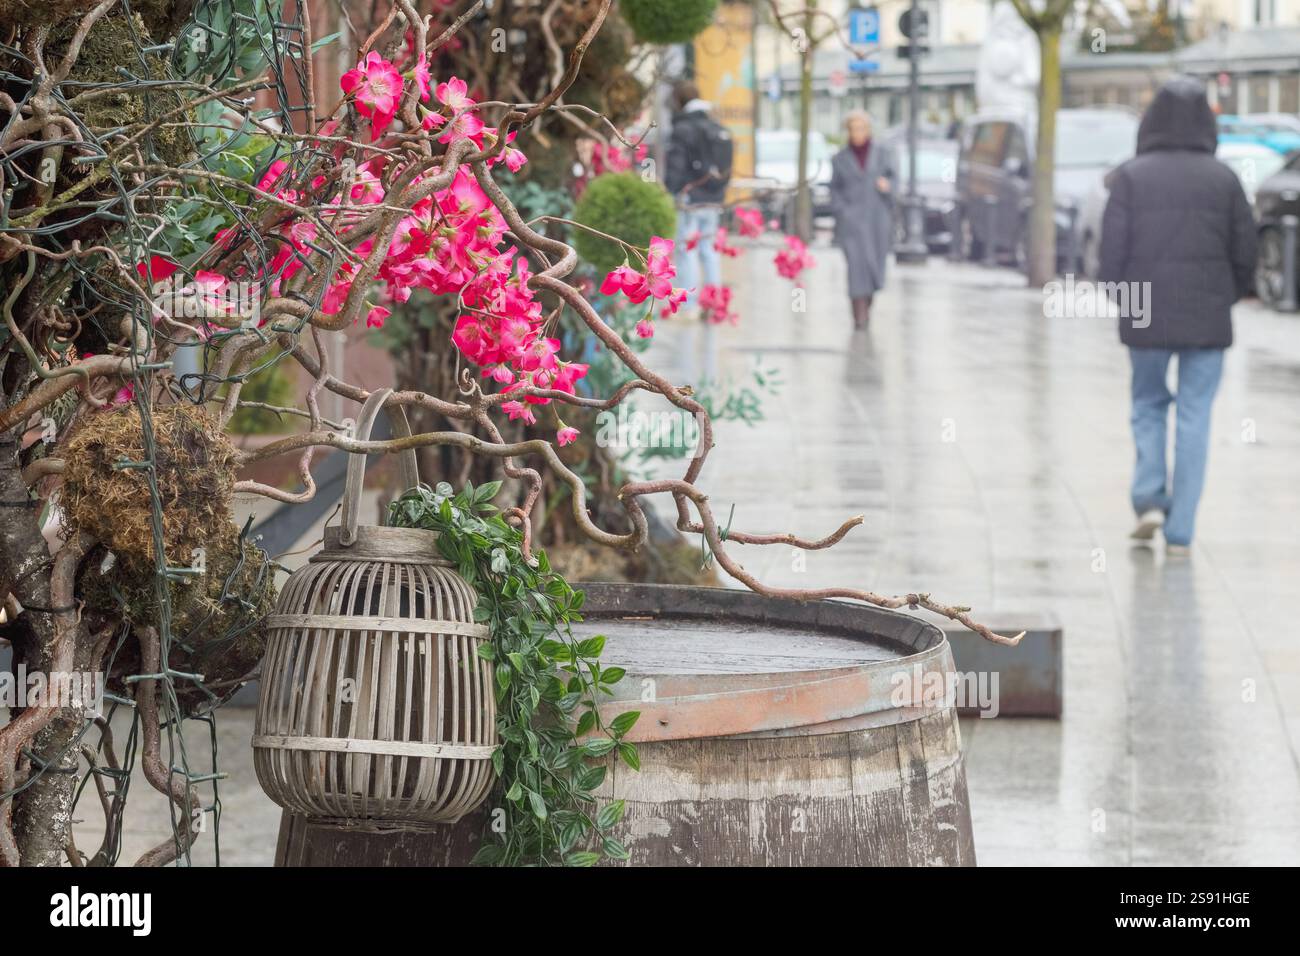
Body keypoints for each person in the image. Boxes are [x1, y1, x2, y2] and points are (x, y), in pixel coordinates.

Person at [1099, 75, 1257, 555]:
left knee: (1148, 404)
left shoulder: (1130, 175)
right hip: (1207, 314)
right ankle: (1182, 530)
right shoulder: (1224, 178)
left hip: (1145, 309)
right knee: (1194, 416)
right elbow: (1245, 250)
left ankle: (1149, 498)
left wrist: (1118, 294)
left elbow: (1111, 251)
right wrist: (1232, 292)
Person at [664, 81, 733, 312]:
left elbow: (676, 165)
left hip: (690, 198)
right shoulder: (715, 125)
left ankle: (689, 305)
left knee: (687, 250)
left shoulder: (683, 129)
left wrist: (670, 190)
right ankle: (714, 303)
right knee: (709, 250)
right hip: (713, 198)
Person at [829, 111, 895, 330]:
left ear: (868, 130)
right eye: (853, 128)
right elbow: (834, 189)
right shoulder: (840, 159)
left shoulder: (883, 154)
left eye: (861, 128)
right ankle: (859, 314)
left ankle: (867, 303)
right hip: (852, 222)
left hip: (877, 219)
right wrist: (842, 211)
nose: (858, 133)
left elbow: (896, 180)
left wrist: (888, 187)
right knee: (856, 267)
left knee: (875, 266)